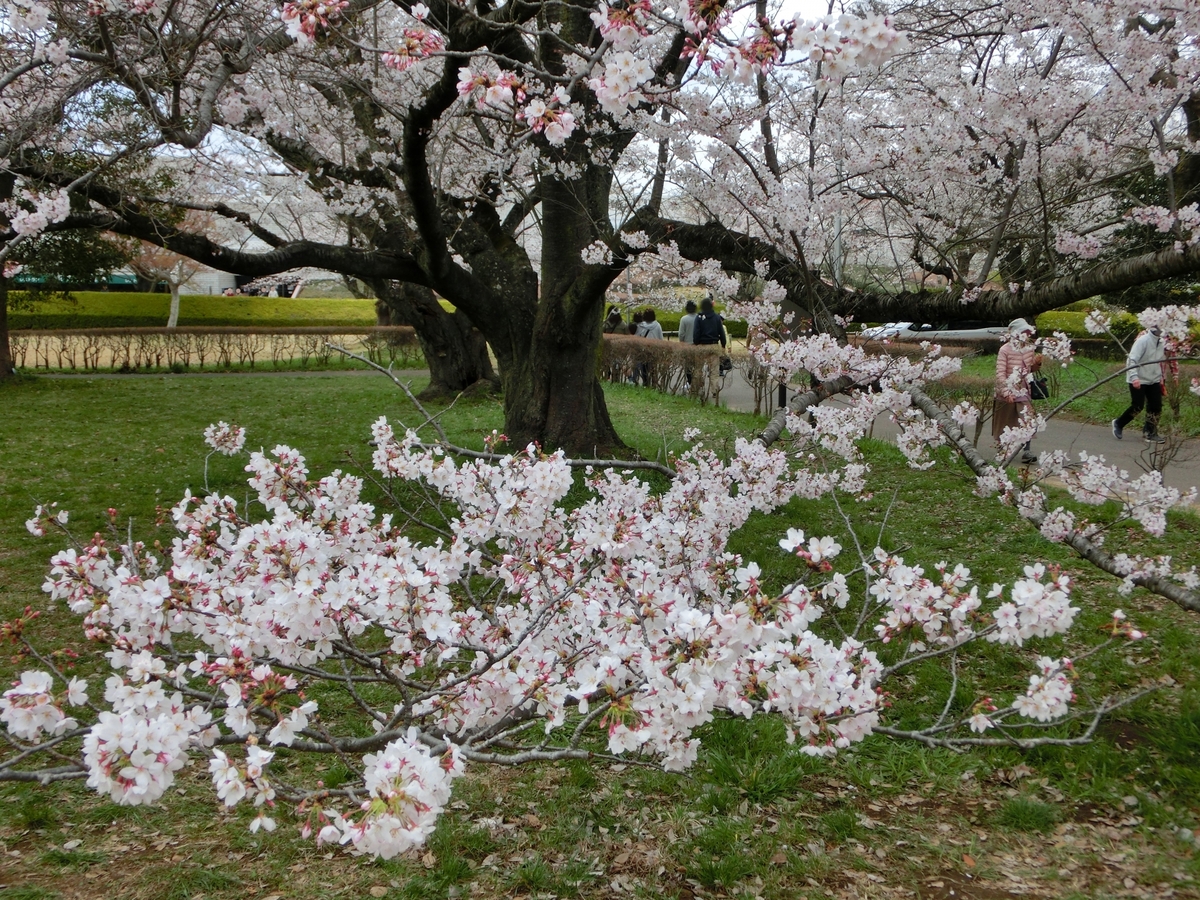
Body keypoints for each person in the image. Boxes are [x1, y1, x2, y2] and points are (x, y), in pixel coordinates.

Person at [992, 318, 1042, 464]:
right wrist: (1006, 392)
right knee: (1005, 422)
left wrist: (1037, 364)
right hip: (1007, 390)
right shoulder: (1005, 350)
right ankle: (1003, 448)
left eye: (1028, 333)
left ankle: (1026, 451)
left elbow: (1029, 369)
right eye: (1024, 332)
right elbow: (1000, 374)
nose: (1027, 335)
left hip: (1024, 390)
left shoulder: (1029, 348)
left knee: (1027, 420)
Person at [1113, 324, 1167, 443]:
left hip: (1154, 379)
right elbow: (1132, 359)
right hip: (1139, 378)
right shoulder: (1143, 341)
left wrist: (1162, 377)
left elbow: (1161, 362)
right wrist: (1134, 377)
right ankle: (1119, 423)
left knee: (1156, 406)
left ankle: (1150, 432)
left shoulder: (1162, 342)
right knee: (1137, 406)